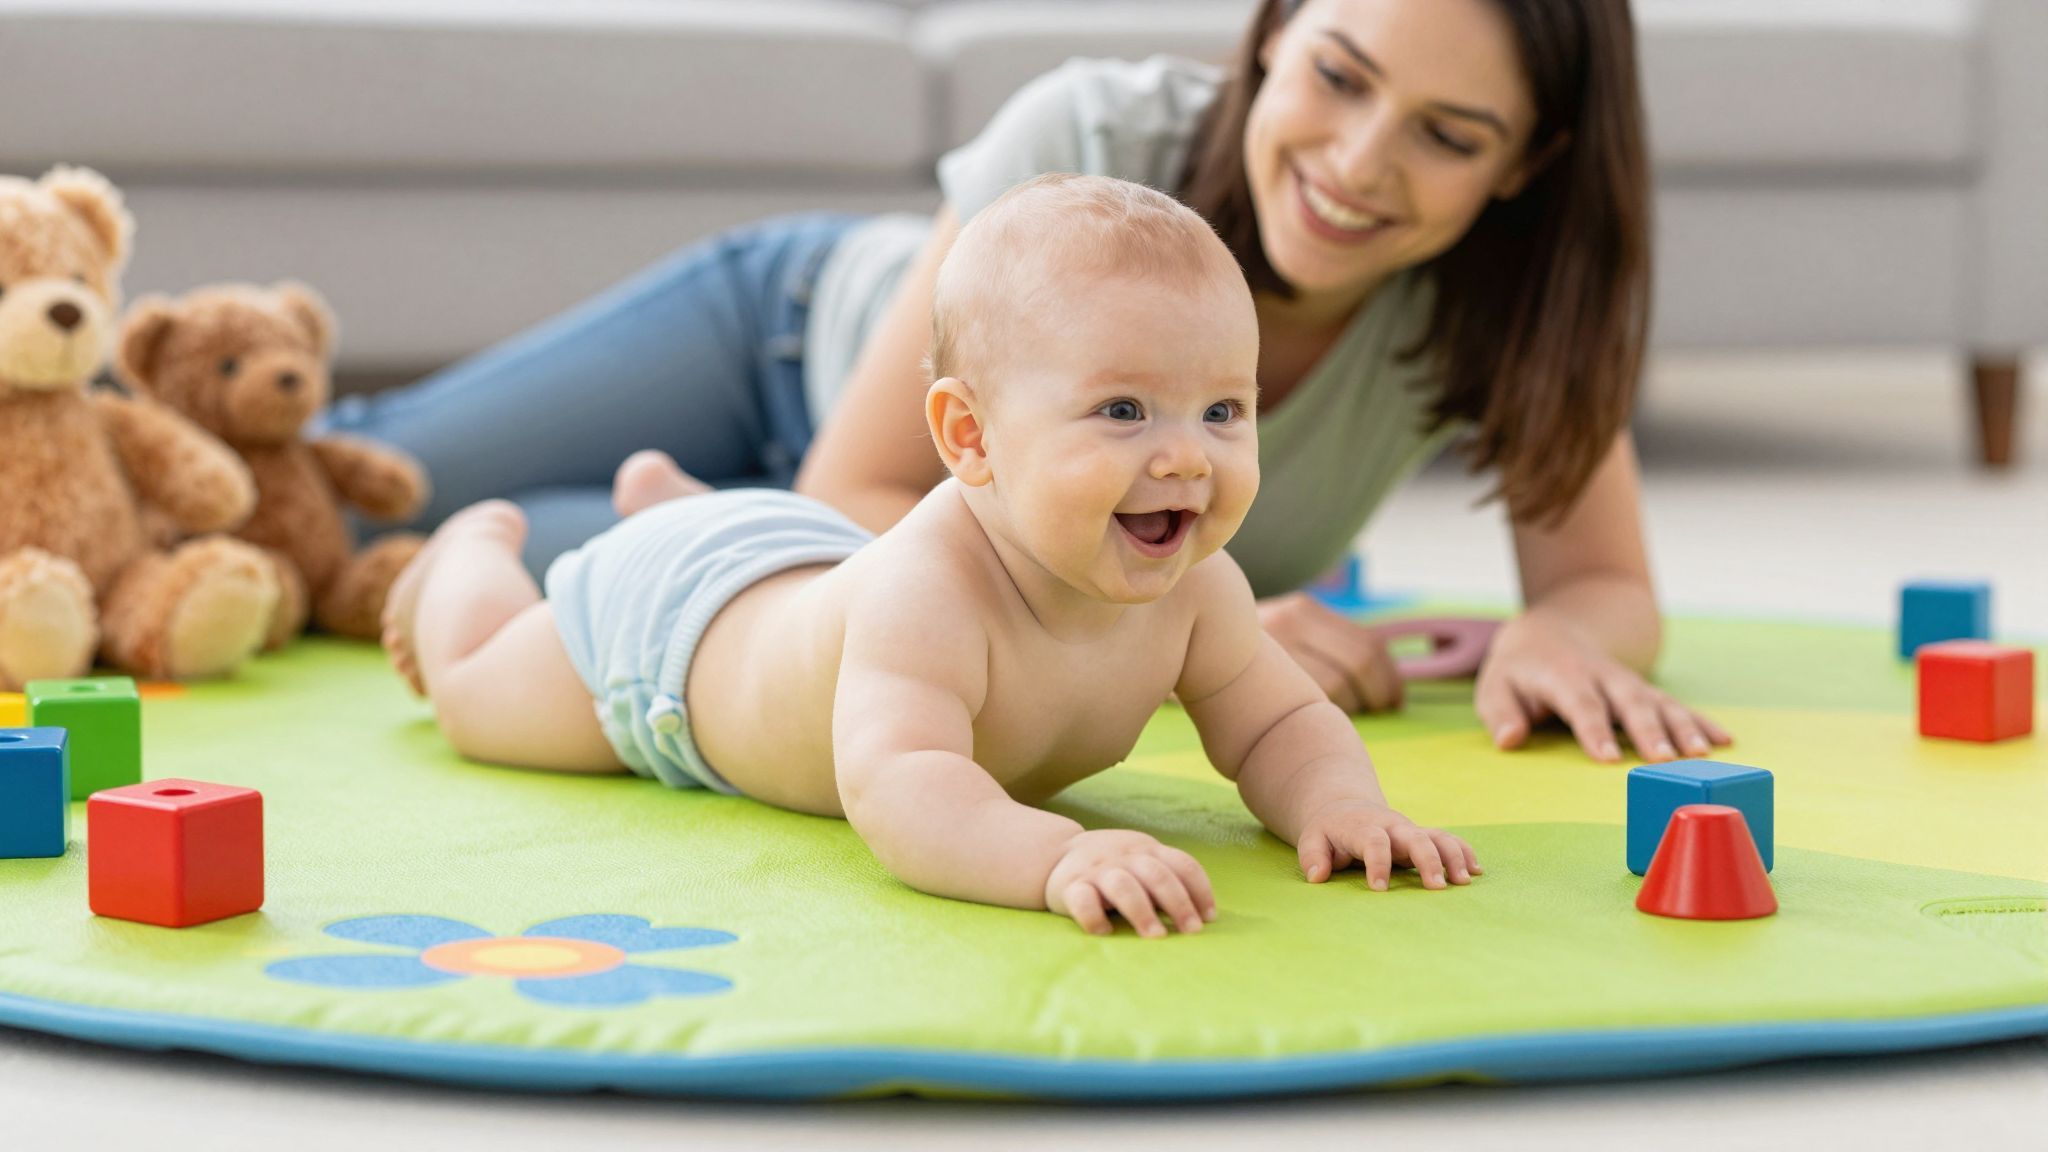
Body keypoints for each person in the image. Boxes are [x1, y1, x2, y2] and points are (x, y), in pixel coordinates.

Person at [329, 0, 1730, 766]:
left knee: (479, 572)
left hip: (826, 570)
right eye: (1340, 76)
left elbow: (1603, 582)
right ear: (1270, 34)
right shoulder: (1096, 129)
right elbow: (866, 486)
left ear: (1524, 168)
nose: (1360, 162)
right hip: (800, 359)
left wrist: (1567, 641)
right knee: (344, 484)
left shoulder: (1504, 311)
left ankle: (670, 513)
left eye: (1448, 134)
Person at [381, 176, 1479, 937]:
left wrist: (1342, 803)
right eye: (1124, 410)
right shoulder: (928, 592)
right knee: (479, 696)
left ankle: (677, 504)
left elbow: (1280, 723)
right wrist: (1052, 857)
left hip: (799, 559)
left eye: (1221, 411)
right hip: (672, 641)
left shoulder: (1199, 591)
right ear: (968, 440)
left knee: (779, 562)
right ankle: (464, 562)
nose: (1186, 459)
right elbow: (900, 787)